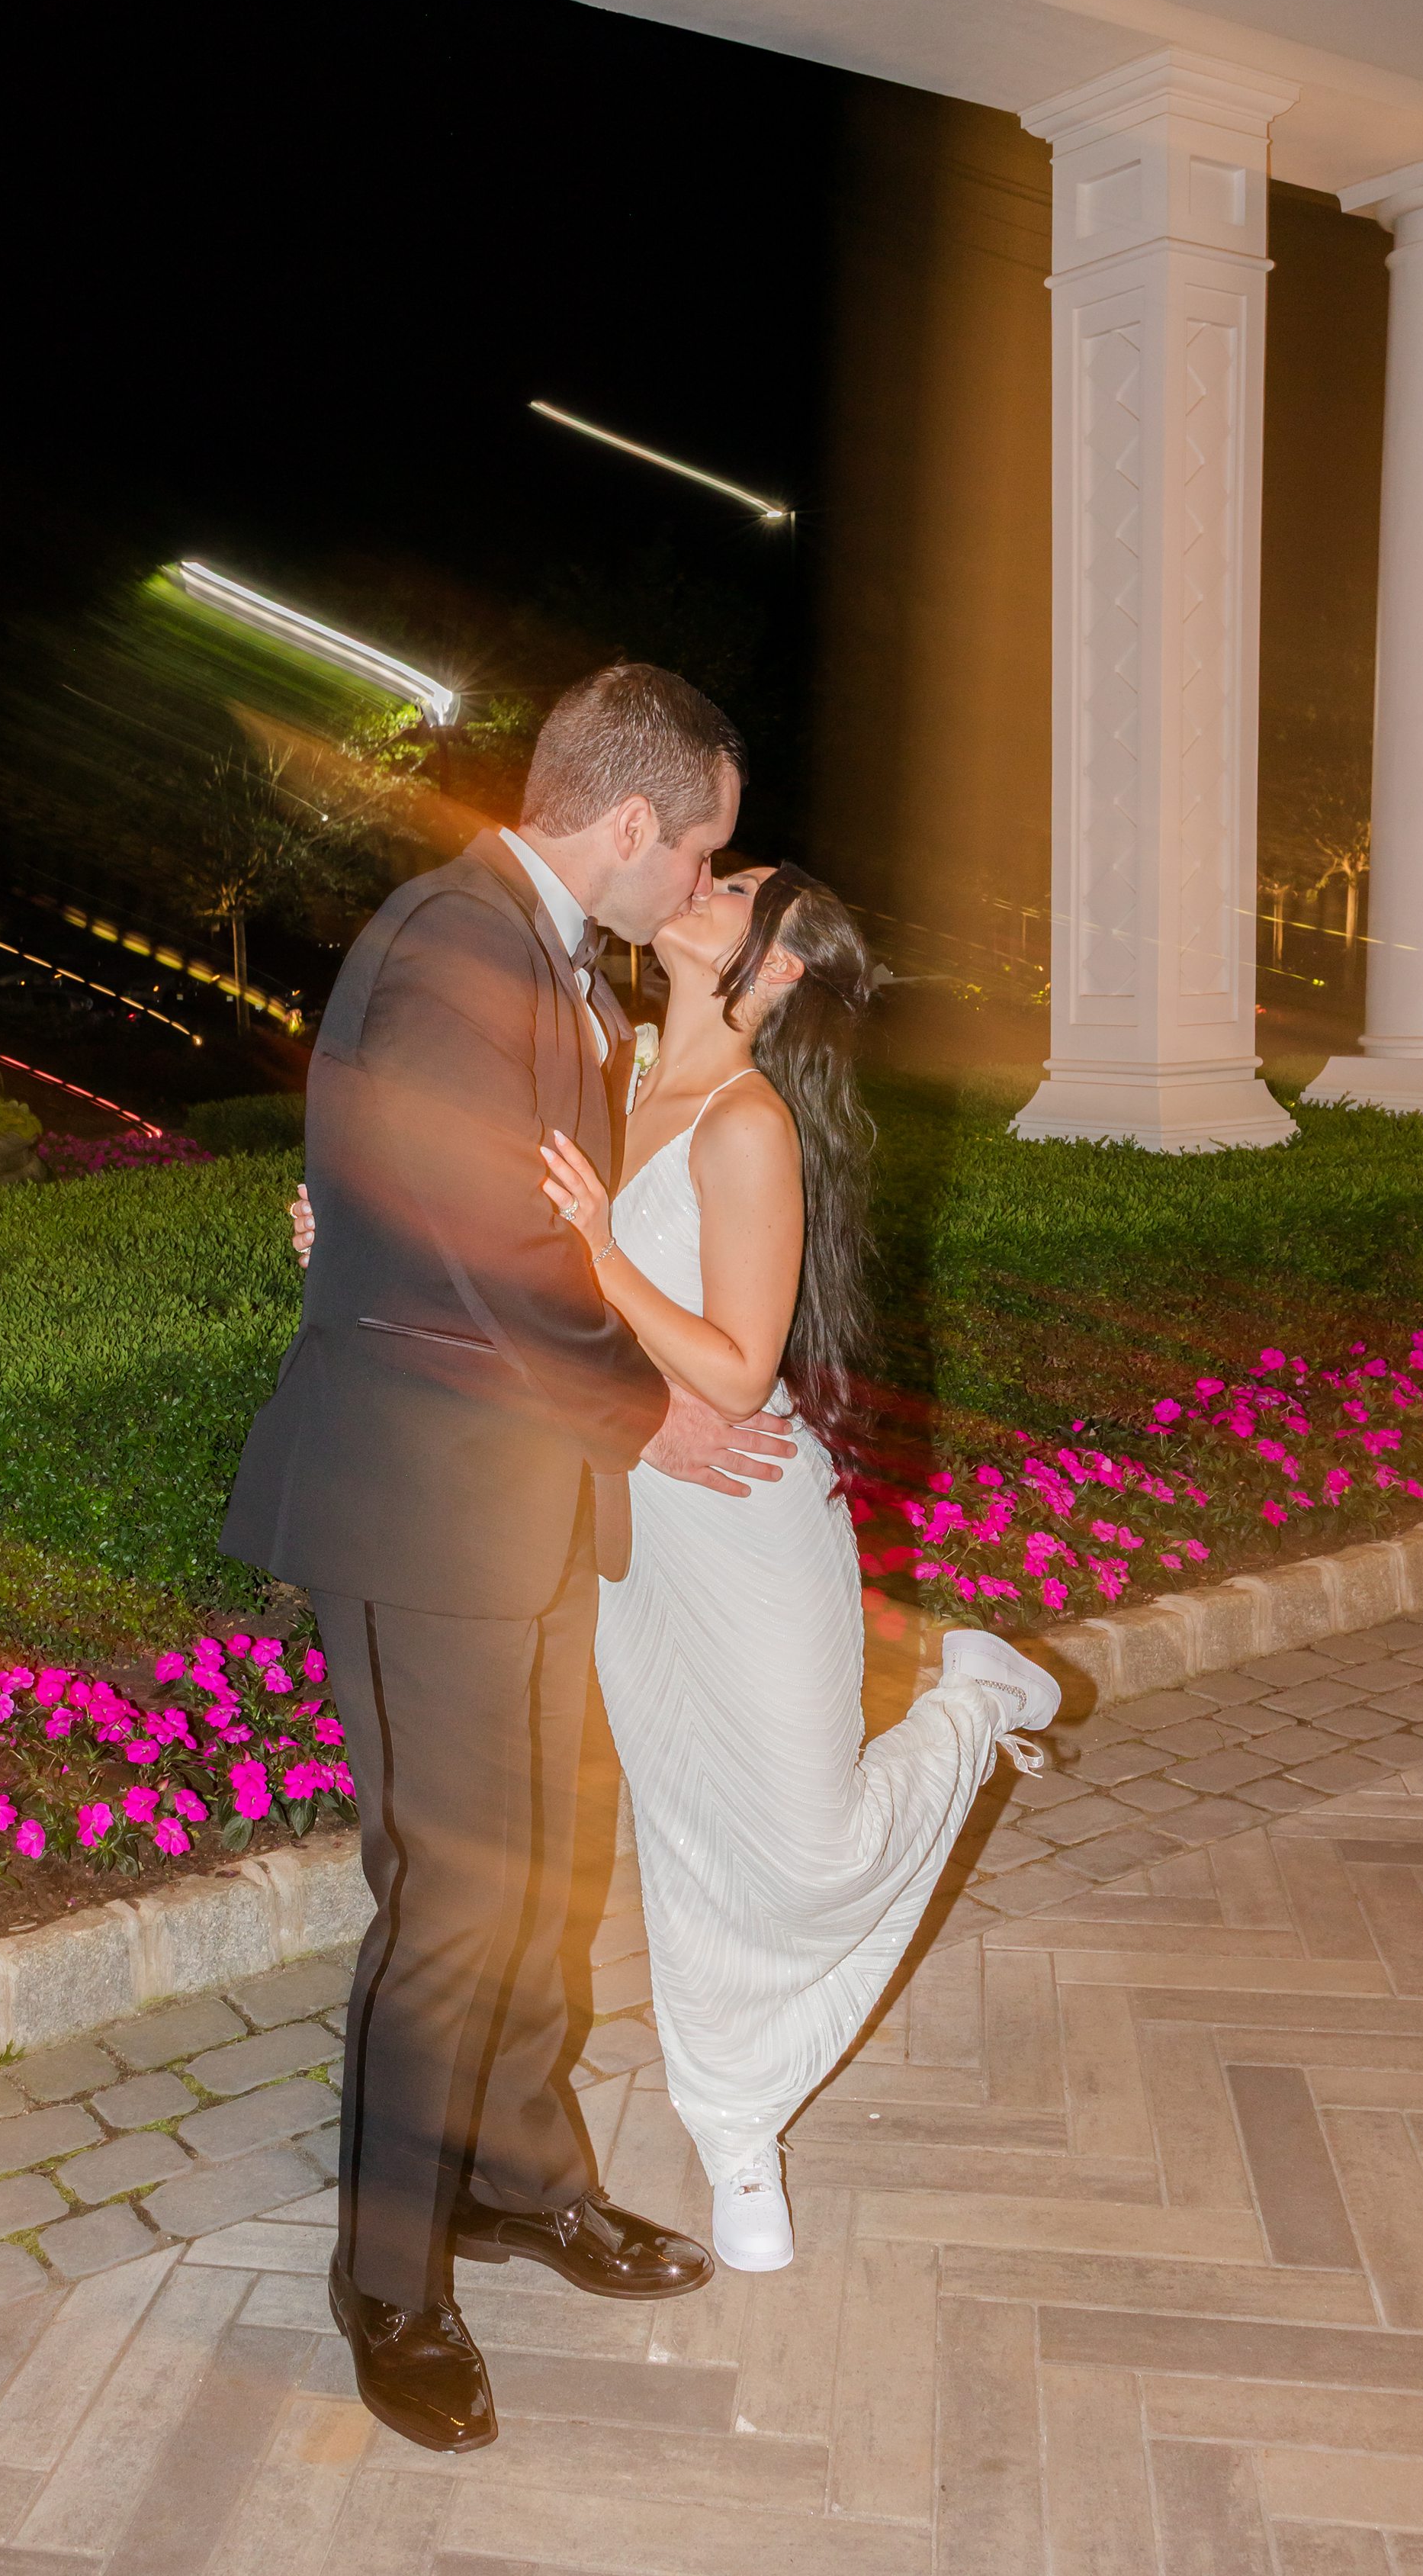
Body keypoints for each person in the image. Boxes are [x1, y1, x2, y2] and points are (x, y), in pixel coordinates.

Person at [222, 664, 799, 2455]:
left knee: (543, 1867)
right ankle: (388, 2282)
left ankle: (520, 2179)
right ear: (629, 823)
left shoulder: (551, 959)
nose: (696, 877)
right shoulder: (454, 943)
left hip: (525, 1506)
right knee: (456, 1902)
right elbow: (482, 1246)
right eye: (695, 847)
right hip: (421, 1511)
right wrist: (652, 1420)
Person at [535, 860, 1059, 2271]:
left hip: (753, 1524)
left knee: (809, 1852)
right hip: (636, 1525)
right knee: (686, 1835)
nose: (700, 882)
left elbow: (736, 1368)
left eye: (736, 890)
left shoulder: (746, 1121)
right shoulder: (606, 1062)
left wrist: (600, 1253)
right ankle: (734, 2133)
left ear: (774, 971)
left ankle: (970, 1705)